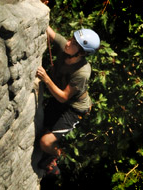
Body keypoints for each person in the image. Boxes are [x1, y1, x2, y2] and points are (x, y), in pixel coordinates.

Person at [36, 25, 100, 175]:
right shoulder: (66, 49)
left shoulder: (82, 72)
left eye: (74, 44)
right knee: (41, 129)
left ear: (81, 53)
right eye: (72, 38)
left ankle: (56, 156)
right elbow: (49, 31)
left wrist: (46, 79)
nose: (69, 43)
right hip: (60, 99)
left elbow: (64, 97)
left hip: (74, 108)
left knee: (45, 142)